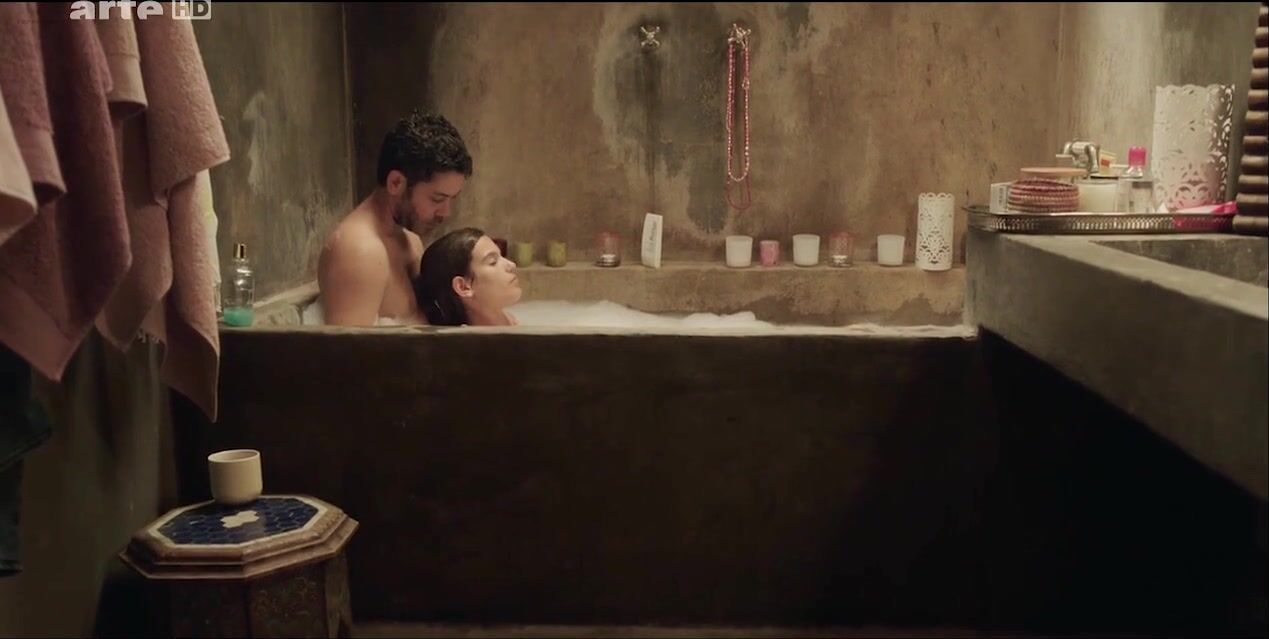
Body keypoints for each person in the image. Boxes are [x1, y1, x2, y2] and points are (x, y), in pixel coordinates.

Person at [317, 111, 472, 325]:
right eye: (437, 198)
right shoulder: (358, 252)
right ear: (396, 183)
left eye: (452, 199)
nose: (446, 212)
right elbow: (348, 346)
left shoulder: (410, 241)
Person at [413, 227, 522, 327]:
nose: (511, 265)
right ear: (463, 287)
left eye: (502, 256)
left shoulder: (510, 322)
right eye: (493, 262)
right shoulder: (471, 341)